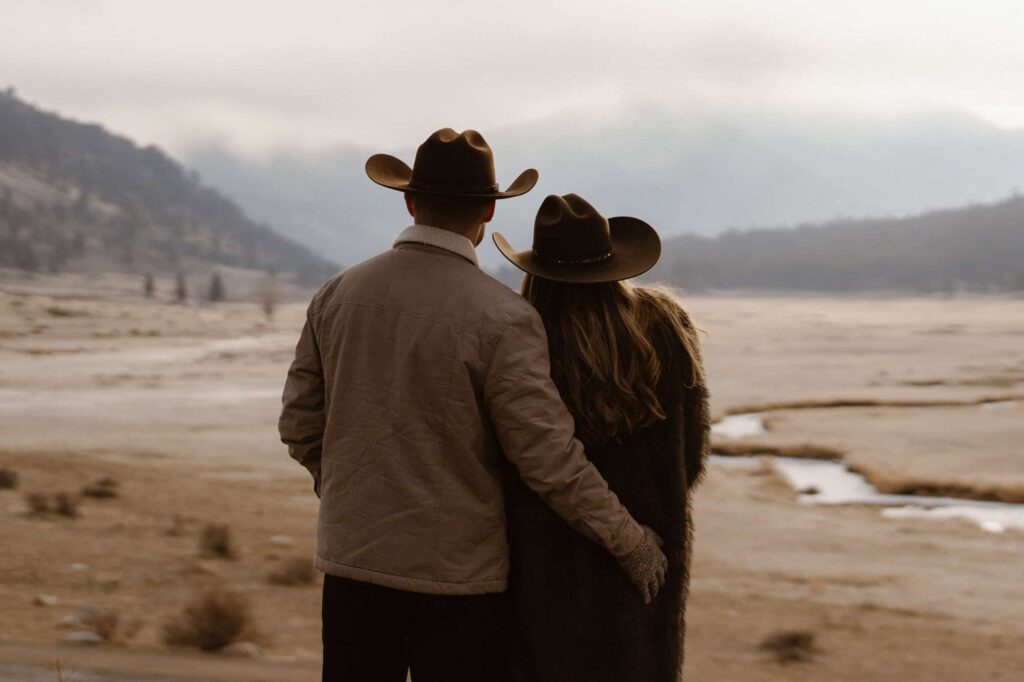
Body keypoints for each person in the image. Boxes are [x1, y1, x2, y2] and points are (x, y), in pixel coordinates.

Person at [278, 130, 668, 682]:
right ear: (488, 210)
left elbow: (298, 423)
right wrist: (630, 541)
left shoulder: (337, 293)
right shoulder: (503, 318)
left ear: (410, 201)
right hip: (458, 583)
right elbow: (547, 458)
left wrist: (347, 488)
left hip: (351, 566)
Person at [493, 193, 710, 682]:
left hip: (541, 568)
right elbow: (690, 458)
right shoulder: (667, 325)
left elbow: (507, 457)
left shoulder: (525, 334)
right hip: (648, 562)